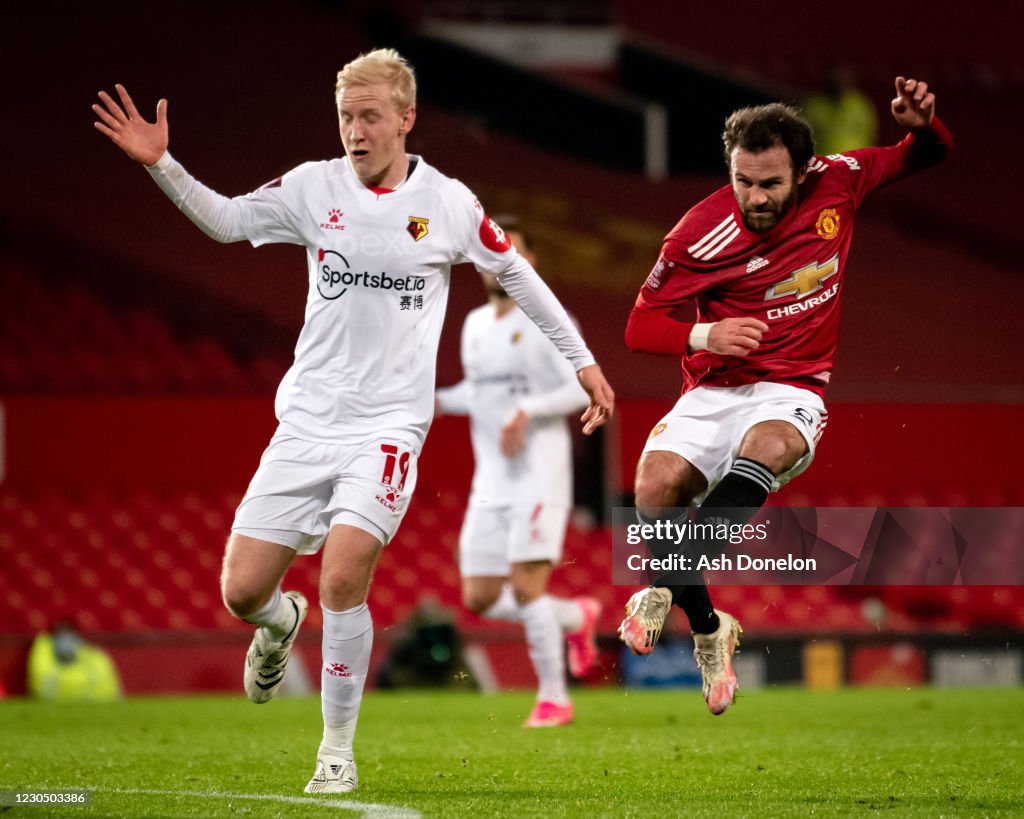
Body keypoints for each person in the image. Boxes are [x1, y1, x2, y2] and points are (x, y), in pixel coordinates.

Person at [92, 48, 614, 794]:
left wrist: (581, 361)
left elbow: (518, 275)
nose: (355, 131)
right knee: (241, 592)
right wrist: (161, 163)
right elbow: (229, 222)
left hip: (388, 427)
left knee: (343, 573)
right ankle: (280, 623)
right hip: (307, 419)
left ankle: (336, 750)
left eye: (369, 116)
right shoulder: (313, 187)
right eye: (345, 116)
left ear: (405, 118)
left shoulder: (448, 202)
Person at [618, 77, 952, 715]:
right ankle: (713, 631)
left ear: (803, 170)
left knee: (767, 445)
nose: (755, 196)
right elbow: (638, 327)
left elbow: (925, 155)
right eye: (744, 180)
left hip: (792, 383)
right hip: (714, 383)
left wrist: (923, 125)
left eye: (770, 183)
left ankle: (660, 588)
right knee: (654, 488)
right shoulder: (696, 234)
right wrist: (704, 330)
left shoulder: (841, 179)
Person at [435, 217, 602, 728]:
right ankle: (575, 617)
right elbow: (479, 394)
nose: (499, 261)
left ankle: (555, 698)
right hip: (491, 481)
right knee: (480, 596)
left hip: (539, 476)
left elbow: (583, 389)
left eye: (511, 251)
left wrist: (529, 409)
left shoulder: (550, 320)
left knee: (528, 587)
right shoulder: (474, 325)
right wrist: (432, 401)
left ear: (527, 263)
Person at [27, 620, 122, 702]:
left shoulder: (93, 654)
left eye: (68, 633)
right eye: (61, 633)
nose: (65, 639)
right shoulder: (42, 649)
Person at [803, 65, 879, 156]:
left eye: (842, 83)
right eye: (834, 83)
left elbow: (871, 133)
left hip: (853, 164)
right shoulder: (815, 106)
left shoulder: (860, 106)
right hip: (823, 163)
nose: (839, 87)